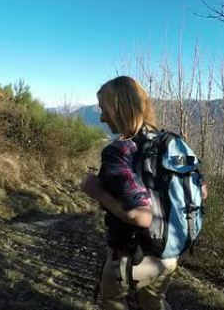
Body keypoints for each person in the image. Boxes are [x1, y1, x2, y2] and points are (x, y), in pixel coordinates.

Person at [82, 76, 177, 310]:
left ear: (120, 109)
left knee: (112, 301)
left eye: (104, 110)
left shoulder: (119, 150)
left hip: (131, 257)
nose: (103, 118)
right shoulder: (170, 142)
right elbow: (201, 191)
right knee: (154, 301)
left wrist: (97, 192)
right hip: (170, 253)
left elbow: (141, 216)